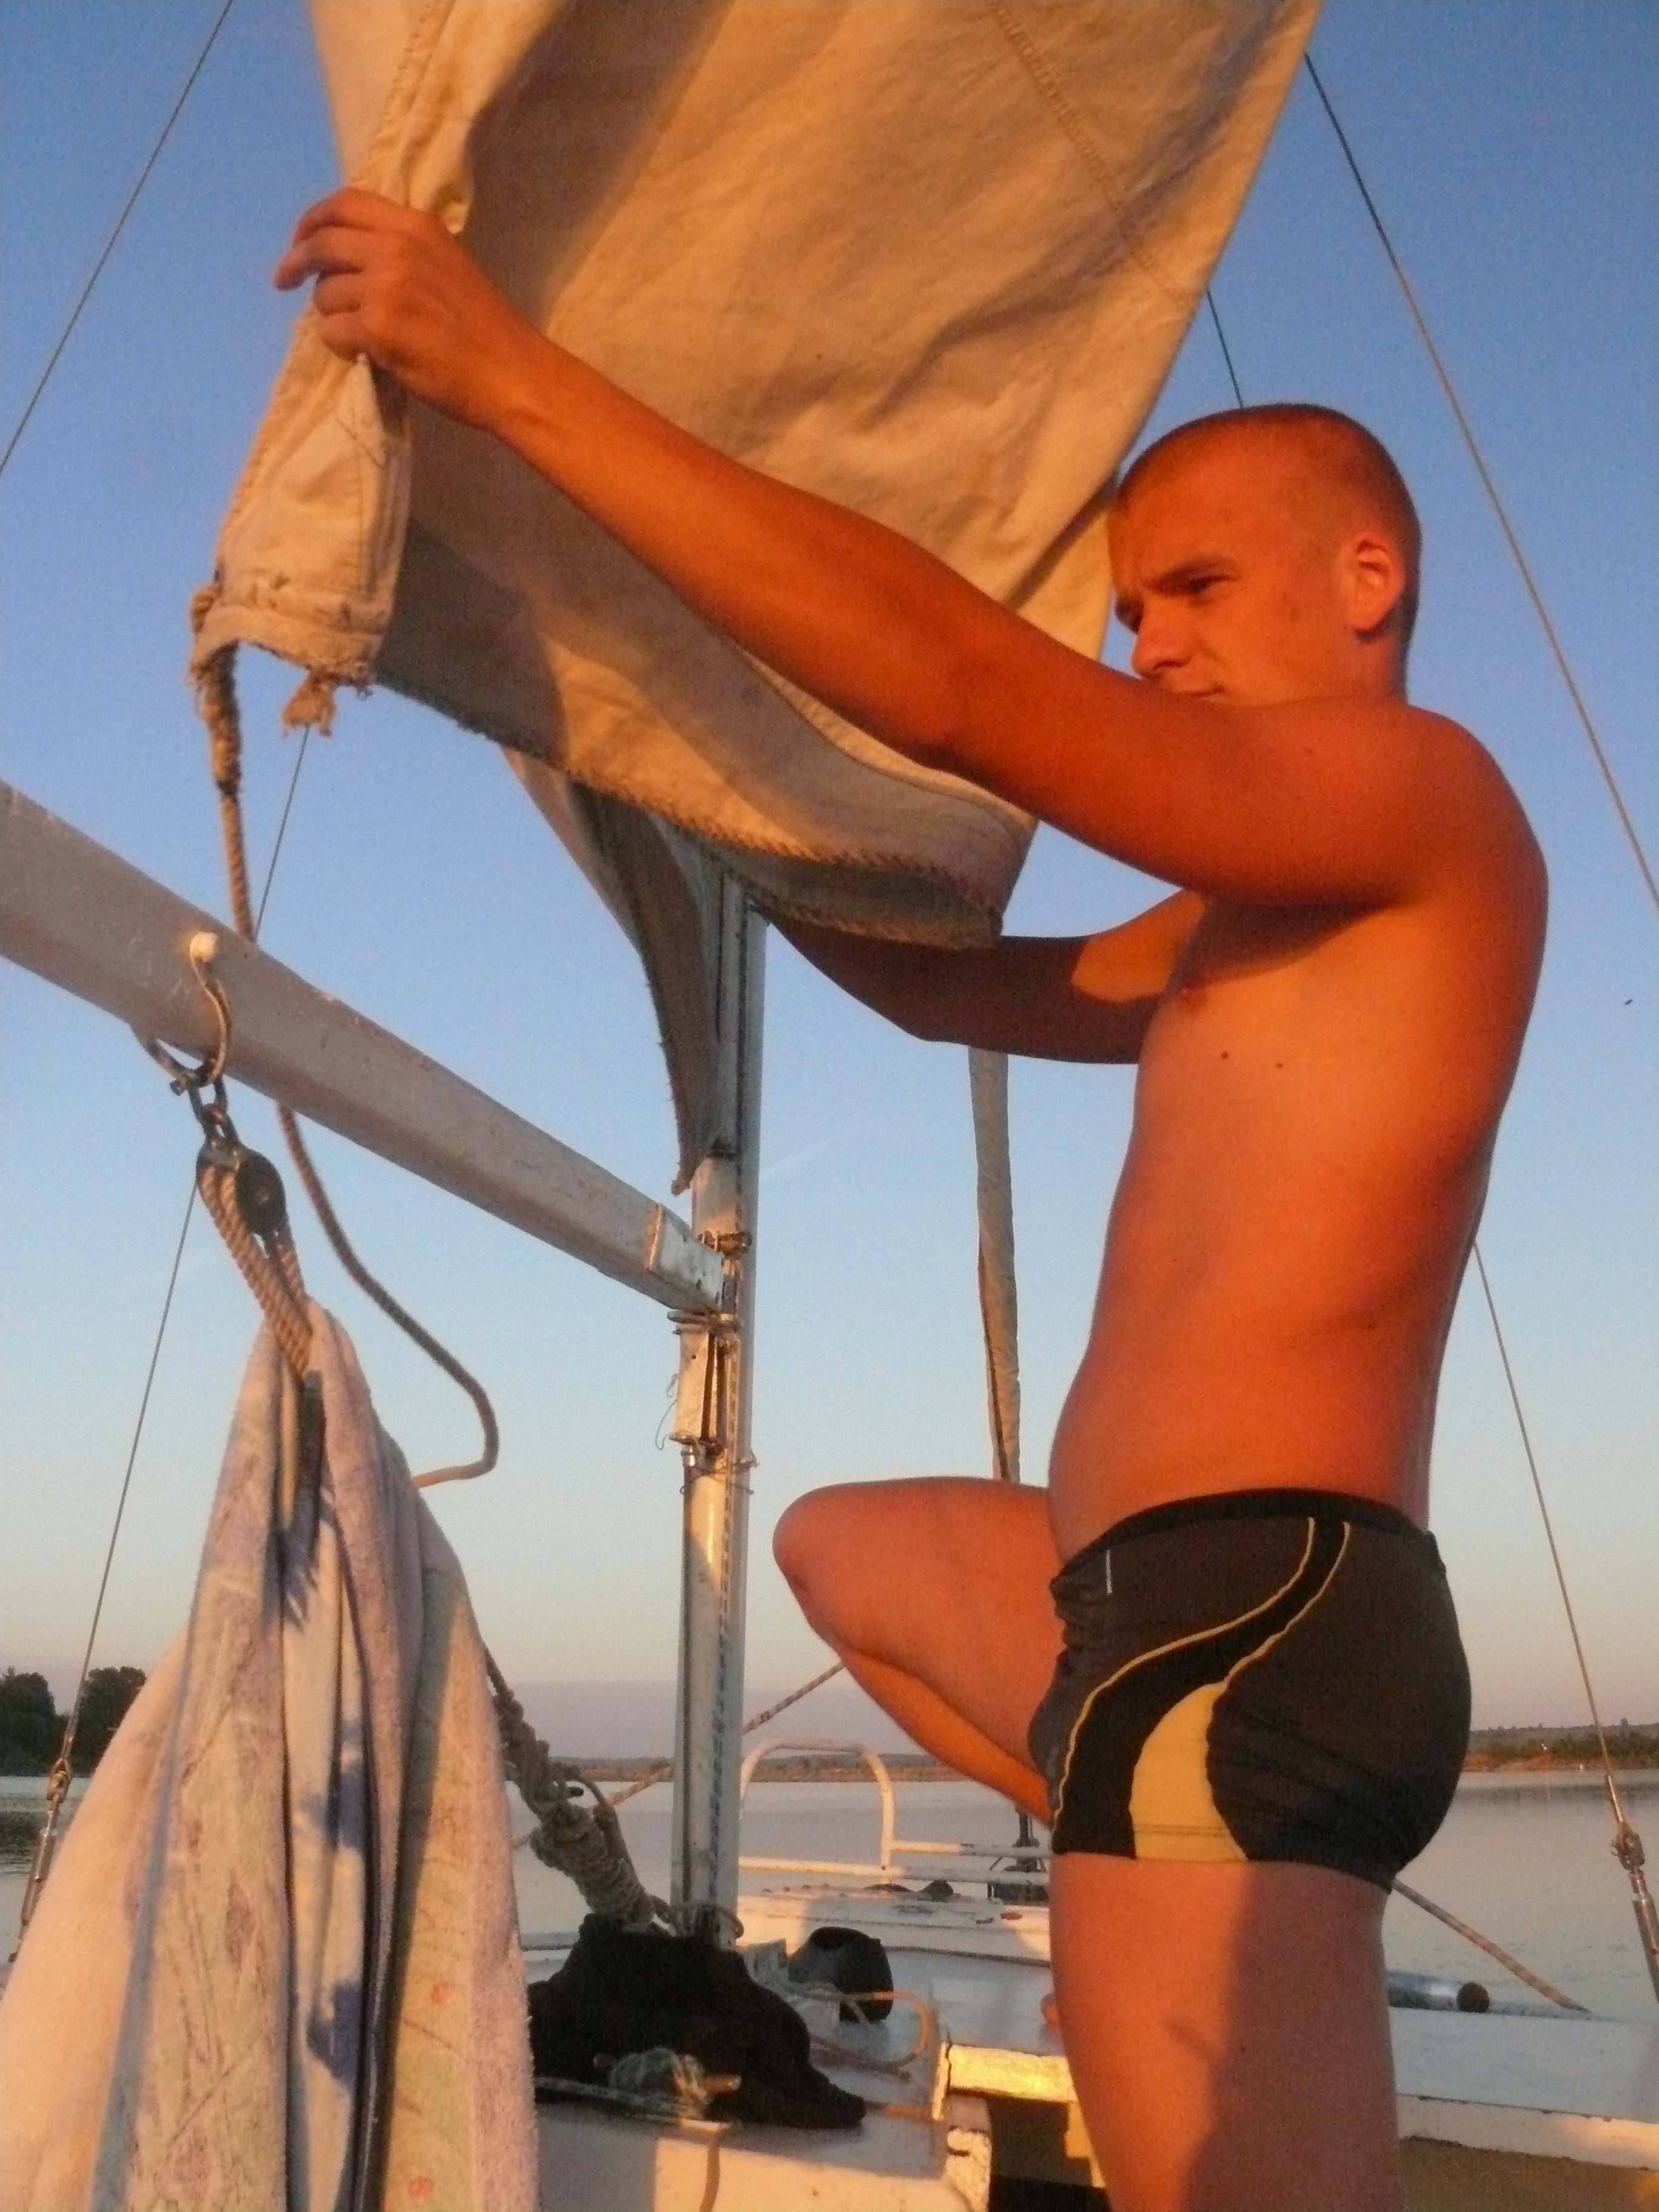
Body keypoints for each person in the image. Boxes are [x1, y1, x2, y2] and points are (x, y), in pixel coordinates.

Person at [278, 191, 1546, 2211]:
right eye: (1130, 615)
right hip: (1170, 1614)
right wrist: (683, 775)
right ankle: (1150, 1817)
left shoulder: (1427, 799)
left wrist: (508, 376)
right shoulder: (1240, 925)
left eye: (1194, 588)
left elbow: (961, 684)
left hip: (1252, 1609)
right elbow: (939, 988)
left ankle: (1188, 1821)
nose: (1150, 645)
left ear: (1366, 577)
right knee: (841, 1546)